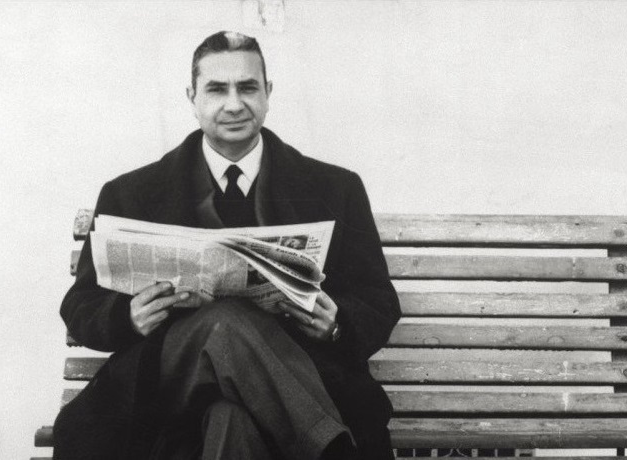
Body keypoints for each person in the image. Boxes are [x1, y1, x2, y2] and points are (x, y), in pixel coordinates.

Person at [53, 31, 401, 460]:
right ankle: (333, 451)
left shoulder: (335, 188)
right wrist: (127, 316)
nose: (234, 104)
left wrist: (336, 324)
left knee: (230, 421)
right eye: (217, 89)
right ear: (192, 97)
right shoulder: (131, 193)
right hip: (167, 387)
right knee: (223, 323)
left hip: (294, 378)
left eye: (247, 88)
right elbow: (81, 305)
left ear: (268, 93)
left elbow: (378, 300)